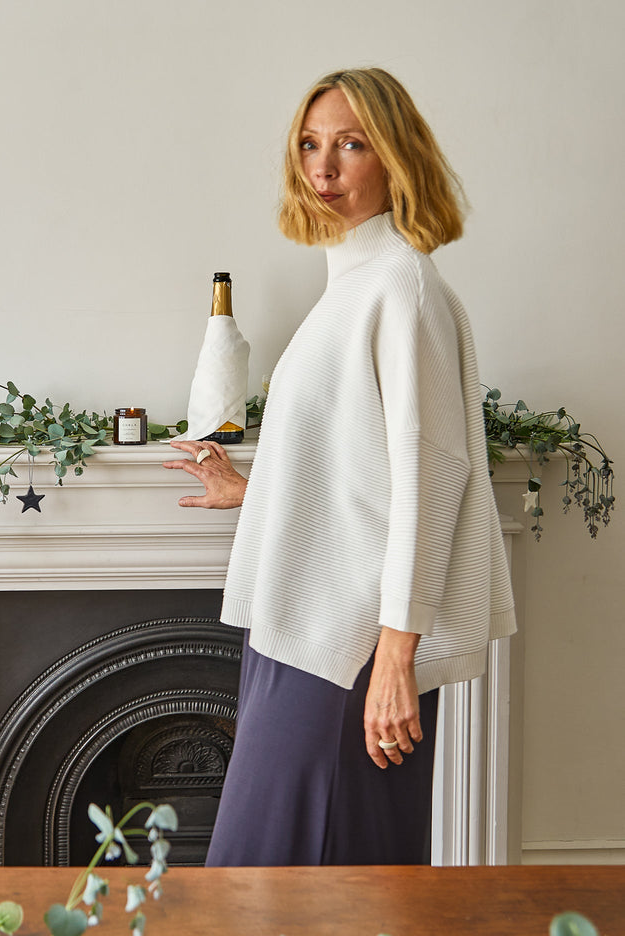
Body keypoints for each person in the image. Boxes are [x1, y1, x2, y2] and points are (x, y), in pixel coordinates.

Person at [162, 68, 516, 866]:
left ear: (393, 157)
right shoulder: (351, 288)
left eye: (350, 145)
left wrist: (395, 654)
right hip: (303, 631)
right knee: (293, 882)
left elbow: (428, 482)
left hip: (349, 648)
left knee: (289, 885)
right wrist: (254, 493)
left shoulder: (400, 286)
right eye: (309, 145)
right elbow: (361, 476)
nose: (322, 168)